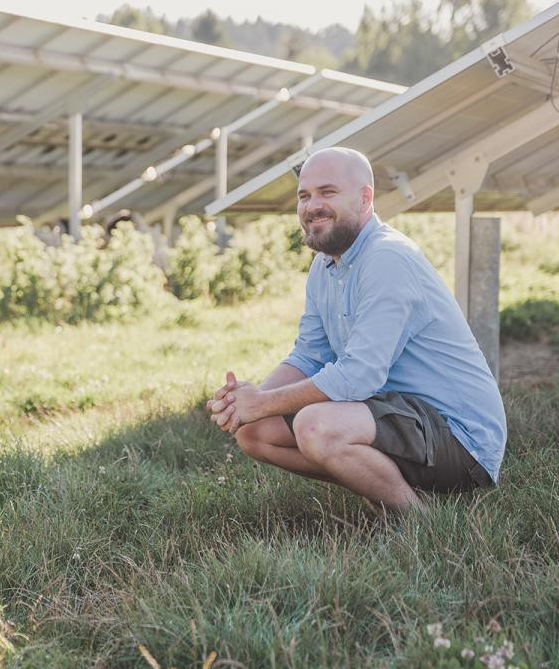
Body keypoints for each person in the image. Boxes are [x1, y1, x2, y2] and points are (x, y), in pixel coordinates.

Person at [207, 147, 506, 513]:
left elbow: (358, 376)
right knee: (255, 434)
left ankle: (417, 521)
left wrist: (265, 403)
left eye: (327, 192)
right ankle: (380, 483)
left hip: (459, 441)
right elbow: (309, 355)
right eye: (304, 196)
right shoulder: (324, 266)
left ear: (365, 198)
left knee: (316, 427)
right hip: (397, 418)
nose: (311, 206)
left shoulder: (387, 259)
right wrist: (246, 405)